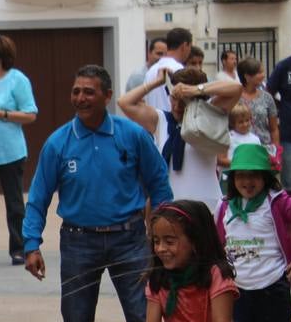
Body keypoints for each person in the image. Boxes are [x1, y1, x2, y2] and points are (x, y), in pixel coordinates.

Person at [23, 65, 173, 322]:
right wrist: (31, 243)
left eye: (89, 92)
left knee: (144, 319)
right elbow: (39, 196)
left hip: (131, 240)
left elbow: (160, 186)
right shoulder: (58, 142)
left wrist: (165, 237)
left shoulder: (133, 136)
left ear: (107, 96)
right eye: (76, 91)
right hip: (78, 243)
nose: (80, 98)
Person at [215, 144, 291, 322]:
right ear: (233, 178)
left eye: (254, 175)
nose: (248, 181)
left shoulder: (278, 202)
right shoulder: (225, 207)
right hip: (237, 295)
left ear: (266, 178)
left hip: (273, 291)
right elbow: (216, 246)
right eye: (242, 175)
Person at [120, 66, 242, 212]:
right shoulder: (160, 119)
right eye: (173, 98)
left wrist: (195, 89)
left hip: (207, 205)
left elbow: (236, 88)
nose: (177, 106)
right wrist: (156, 82)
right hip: (171, 206)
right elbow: (124, 102)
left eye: (184, 100)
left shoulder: (211, 113)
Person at [0, 34, 38, 266]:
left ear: (1, 54)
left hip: (11, 151)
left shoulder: (18, 79)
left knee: (14, 203)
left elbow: (31, 114)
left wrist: (1, 114)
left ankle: (18, 248)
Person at [267, 35, 291, 189]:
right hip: (289, 133)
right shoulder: (284, 67)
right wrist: (282, 107)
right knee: (290, 181)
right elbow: (269, 91)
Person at [236, 57, 279, 148]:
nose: (263, 75)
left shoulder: (267, 97)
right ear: (247, 76)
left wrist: (276, 151)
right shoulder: (234, 97)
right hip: (240, 148)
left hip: (263, 148)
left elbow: (274, 129)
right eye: (259, 73)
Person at [222, 103, 262, 168]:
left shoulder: (255, 139)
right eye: (240, 122)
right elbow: (221, 160)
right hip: (231, 174)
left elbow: (258, 158)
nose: (245, 124)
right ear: (232, 123)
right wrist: (242, 164)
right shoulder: (227, 137)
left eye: (247, 120)